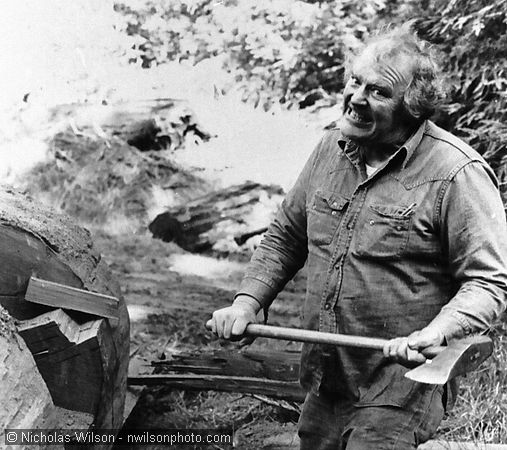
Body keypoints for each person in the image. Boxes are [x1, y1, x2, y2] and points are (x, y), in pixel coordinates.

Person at [207, 25, 507, 449]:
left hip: (401, 385)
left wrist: (438, 332)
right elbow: (286, 236)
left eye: (379, 92)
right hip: (326, 376)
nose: (356, 98)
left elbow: (488, 282)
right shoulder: (331, 146)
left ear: (413, 107)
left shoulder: (456, 173)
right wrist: (248, 302)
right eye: (354, 81)